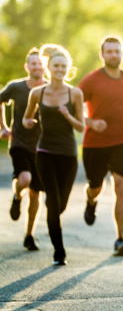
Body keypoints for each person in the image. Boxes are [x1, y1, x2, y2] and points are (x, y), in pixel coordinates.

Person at [78, 35, 123, 257]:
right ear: (102, 55)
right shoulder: (90, 81)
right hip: (94, 143)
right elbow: (74, 108)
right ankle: (91, 199)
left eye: (117, 51)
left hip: (122, 141)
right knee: (96, 186)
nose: (114, 55)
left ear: (122, 53)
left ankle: (120, 238)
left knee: (120, 185)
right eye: (109, 51)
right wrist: (90, 122)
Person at [23, 44, 84, 266]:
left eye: (63, 66)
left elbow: (81, 127)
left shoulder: (74, 93)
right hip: (45, 153)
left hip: (68, 155)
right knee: (53, 205)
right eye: (56, 65)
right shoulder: (37, 93)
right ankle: (59, 252)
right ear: (48, 67)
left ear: (68, 69)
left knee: (60, 205)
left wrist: (68, 115)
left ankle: (54, 209)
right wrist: (28, 122)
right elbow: (26, 118)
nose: (60, 69)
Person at [0, 48, 46, 251]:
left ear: (45, 66)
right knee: (25, 179)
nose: (37, 67)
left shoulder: (50, 88)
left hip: (43, 147)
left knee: (36, 194)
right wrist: (2, 127)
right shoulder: (16, 87)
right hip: (19, 143)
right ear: (28, 67)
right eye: (33, 64)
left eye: (40, 63)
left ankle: (29, 234)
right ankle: (18, 195)